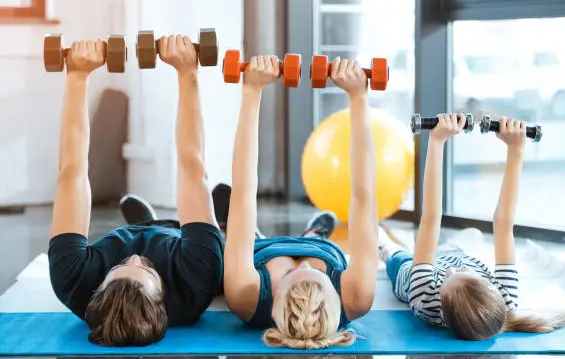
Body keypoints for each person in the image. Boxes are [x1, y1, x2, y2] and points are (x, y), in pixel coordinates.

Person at [48, 36, 224, 346]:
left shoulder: (73, 280)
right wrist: (188, 72)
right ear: (164, 301)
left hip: (150, 237)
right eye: (147, 270)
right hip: (178, 243)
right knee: (235, 246)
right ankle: (223, 222)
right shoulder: (196, 279)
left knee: (138, 234)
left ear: (97, 288)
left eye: (119, 267)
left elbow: (71, 174)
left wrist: (77, 75)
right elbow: (192, 168)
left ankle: (145, 223)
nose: (135, 258)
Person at [379, 113, 565, 341]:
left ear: (442, 307)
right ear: (487, 285)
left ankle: (384, 247)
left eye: (445, 280)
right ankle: (453, 248)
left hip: (410, 269)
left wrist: (437, 141)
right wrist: (517, 149)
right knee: (471, 237)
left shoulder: (424, 297)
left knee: (389, 249)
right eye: (461, 274)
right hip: (458, 256)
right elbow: (503, 225)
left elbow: (431, 219)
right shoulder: (505, 300)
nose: (449, 272)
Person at [221, 56, 379, 349]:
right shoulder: (357, 296)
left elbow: (243, 191)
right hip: (323, 248)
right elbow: (363, 195)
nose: (304, 262)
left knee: (226, 237)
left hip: (262, 251)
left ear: (275, 302)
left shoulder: (245, 296)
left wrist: (252, 91)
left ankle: (207, 228)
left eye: (292, 274)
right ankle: (314, 235)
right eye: (317, 272)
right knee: (313, 242)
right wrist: (359, 97)